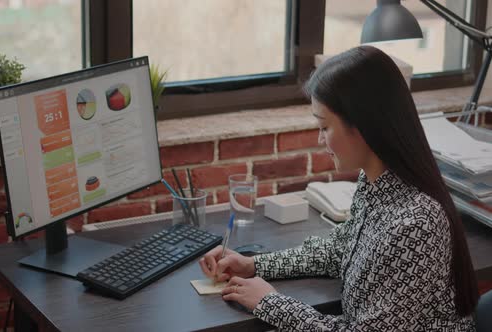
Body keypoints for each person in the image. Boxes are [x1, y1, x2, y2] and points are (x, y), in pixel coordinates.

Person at [199, 45, 479, 331]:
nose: (321, 140)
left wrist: (270, 302)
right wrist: (255, 265)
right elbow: (340, 250)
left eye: (324, 127)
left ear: (363, 126)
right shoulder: (374, 184)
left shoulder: (417, 224)